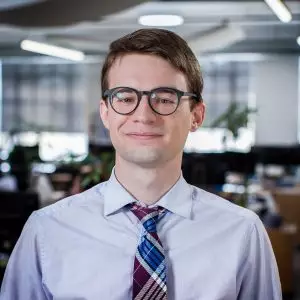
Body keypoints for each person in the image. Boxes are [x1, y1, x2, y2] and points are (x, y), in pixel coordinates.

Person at [0, 28, 281, 300]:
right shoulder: (46, 231)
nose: (144, 115)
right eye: (125, 97)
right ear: (106, 113)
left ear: (196, 115)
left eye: (165, 98)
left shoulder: (243, 233)